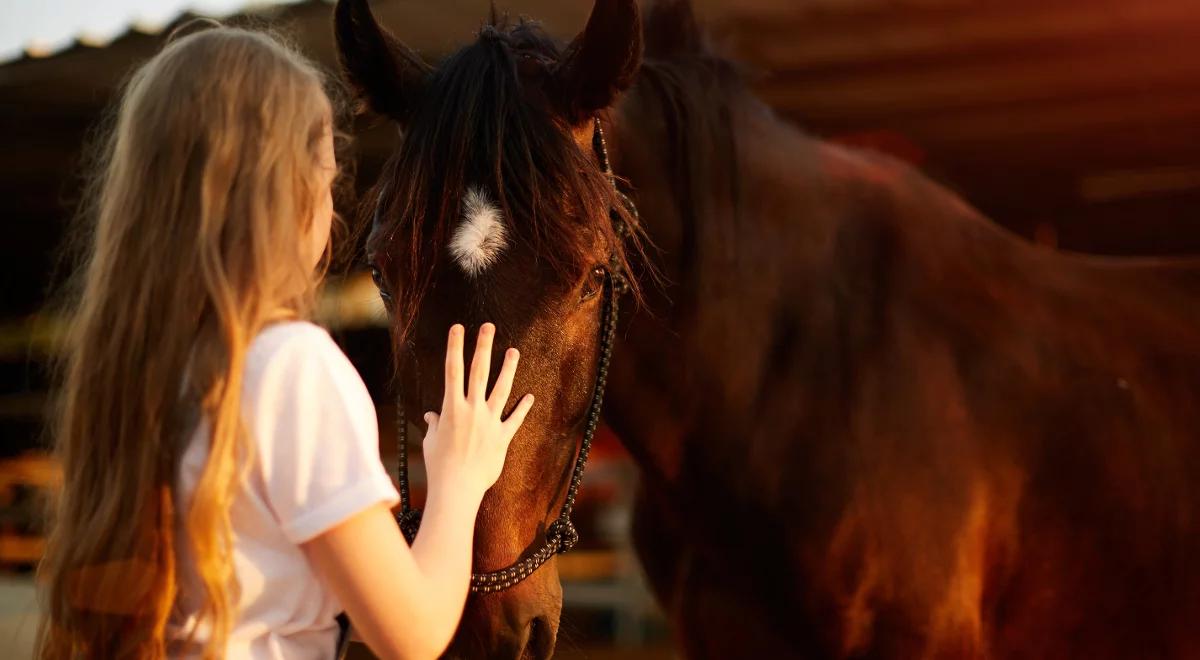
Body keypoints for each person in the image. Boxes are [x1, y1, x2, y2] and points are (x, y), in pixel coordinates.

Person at [36, 25, 533, 660]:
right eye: (326, 180)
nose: (332, 212)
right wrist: (460, 481)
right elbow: (412, 634)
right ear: (284, 190)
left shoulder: (135, 373)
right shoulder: (289, 369)